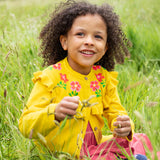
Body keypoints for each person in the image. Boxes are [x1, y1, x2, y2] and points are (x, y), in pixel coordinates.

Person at [19, 0, 149, 159]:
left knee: (142, 139)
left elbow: (116, 111)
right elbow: (26, 125)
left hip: (94, 146)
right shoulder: (50, 77)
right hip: (67, 153)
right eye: (80, 34)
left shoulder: (103, 78)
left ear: (105, 48)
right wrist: (54, 113)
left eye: (98, 36)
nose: (89, 41)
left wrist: (124, 126)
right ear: (64, 41)